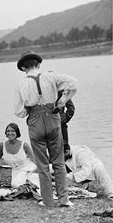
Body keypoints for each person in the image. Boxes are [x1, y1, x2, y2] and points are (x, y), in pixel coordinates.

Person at [14, 51, 77, 208]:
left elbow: (19, 112)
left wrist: (31, 110)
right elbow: (74, 83)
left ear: (23, 68)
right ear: (39, 64)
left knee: (42, 165)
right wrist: (62, 100)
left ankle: (48, 201)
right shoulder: (51, 76)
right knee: (59, 162)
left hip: (35, 121)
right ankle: (64, 200)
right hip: (53, 117)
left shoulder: (21, 85)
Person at [0, 123, 37, 188]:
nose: (10, 133)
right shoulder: (2, 145)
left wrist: (35, 171)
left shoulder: (24, 145)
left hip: (30, 168)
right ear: (6, 133)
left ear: (17, 133)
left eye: (12, 131)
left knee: (34, 182)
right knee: (16, 185)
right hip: (16, 171)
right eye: (8, 131)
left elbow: (35, 160)